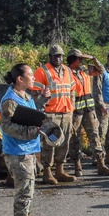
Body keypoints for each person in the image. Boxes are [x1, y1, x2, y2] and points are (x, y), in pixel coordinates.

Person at [0, 64, 43, 216]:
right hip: (18, 152)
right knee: (24, 192)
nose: (34, 78)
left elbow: (29, 116)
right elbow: (7, 126)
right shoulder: (10, 100)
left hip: (28, 150)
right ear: (20, 79)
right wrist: (32, 132)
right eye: (30, 75)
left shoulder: (25, 96)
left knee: (28, 190)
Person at [32, 45, 77, 184]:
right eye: (56, 56)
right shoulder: (42, 71)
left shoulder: (68, 71)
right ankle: (47, 172)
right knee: (49, 143)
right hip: (50, 114)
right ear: (50, 56)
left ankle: (60, 170)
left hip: (66, 112)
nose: (58, 58)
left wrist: (72, 106)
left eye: (60, 56)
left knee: (64, 142)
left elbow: (72, 90)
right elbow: (34, 94)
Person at [67, 49, 109, 177]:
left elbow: (102, 70)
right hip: (75, 111)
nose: (82, 60)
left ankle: (101, 164)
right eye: (79, 58)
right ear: (72, 59)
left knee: (95, 135)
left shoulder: (86, 69)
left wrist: (92, 58)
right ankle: (77, 166)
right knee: (74, 138)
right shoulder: (67, 72)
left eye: (82, 58)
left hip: (89, 109)